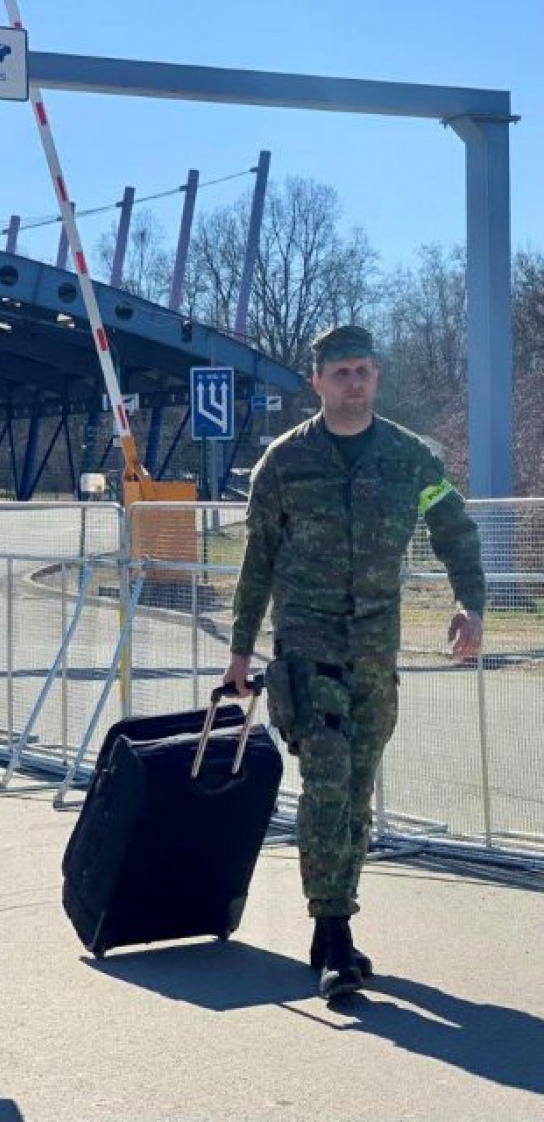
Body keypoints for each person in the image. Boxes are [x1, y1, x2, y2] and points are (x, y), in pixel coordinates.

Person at [223, 325, 485, 1000]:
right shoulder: (284, 463)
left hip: (374, 648)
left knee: (358, 791)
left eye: (363, 371)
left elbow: (454, 530)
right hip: (309, 648)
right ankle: (333, 930)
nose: (354, 383)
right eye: (340, 372)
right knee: (328, 785)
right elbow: (259, 560)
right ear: (316, 381)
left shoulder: (409, 458)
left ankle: (332, 926)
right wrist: (240, 650)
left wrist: (470, 603)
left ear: (377, 377)